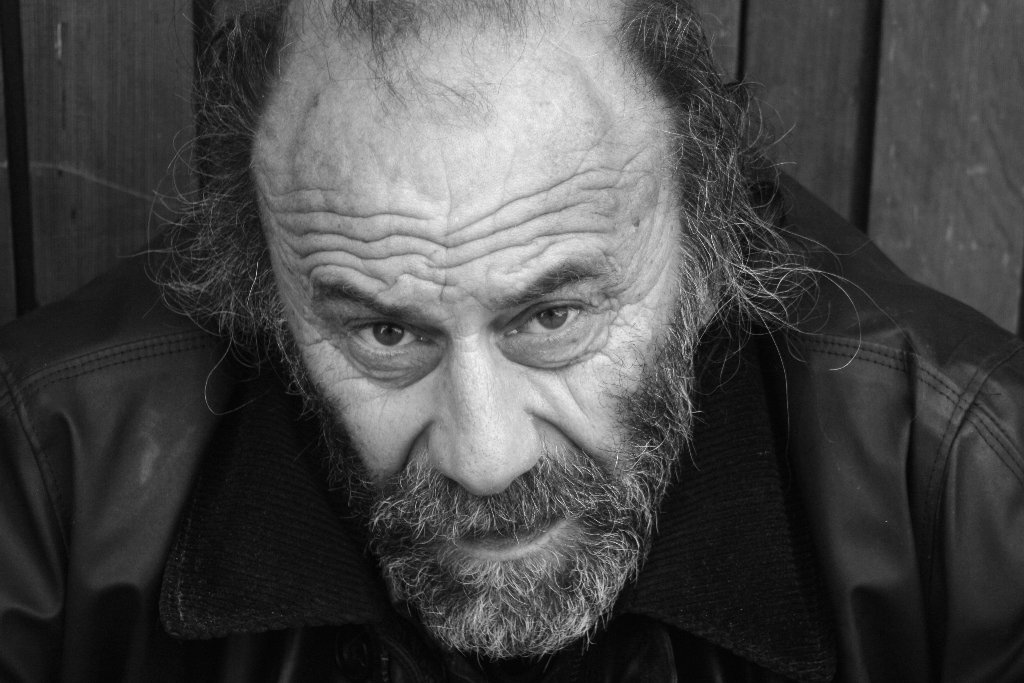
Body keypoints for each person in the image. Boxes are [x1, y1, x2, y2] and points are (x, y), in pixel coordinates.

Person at [2, 1, 1022, 681]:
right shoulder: (49, 472)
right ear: (263, 286)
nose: (484, 456)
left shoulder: (968, 486)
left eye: (552, 317)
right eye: (386, 331)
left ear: (708, 242)